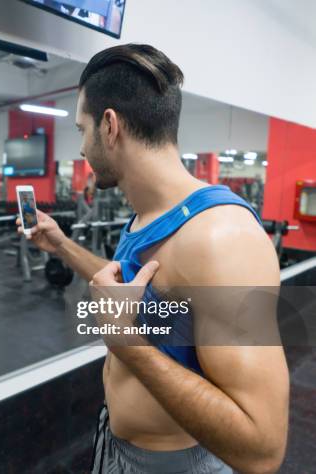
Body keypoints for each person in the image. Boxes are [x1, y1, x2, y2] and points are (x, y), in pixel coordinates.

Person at [17, 44, 288, 473]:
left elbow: (262, 449)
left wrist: (127, 344)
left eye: (81, 129)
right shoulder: (149, 213)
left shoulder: (221, 238)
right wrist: (61, 246)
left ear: (110, 126)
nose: (82, 148)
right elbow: (130, 291)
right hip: (120, 447)